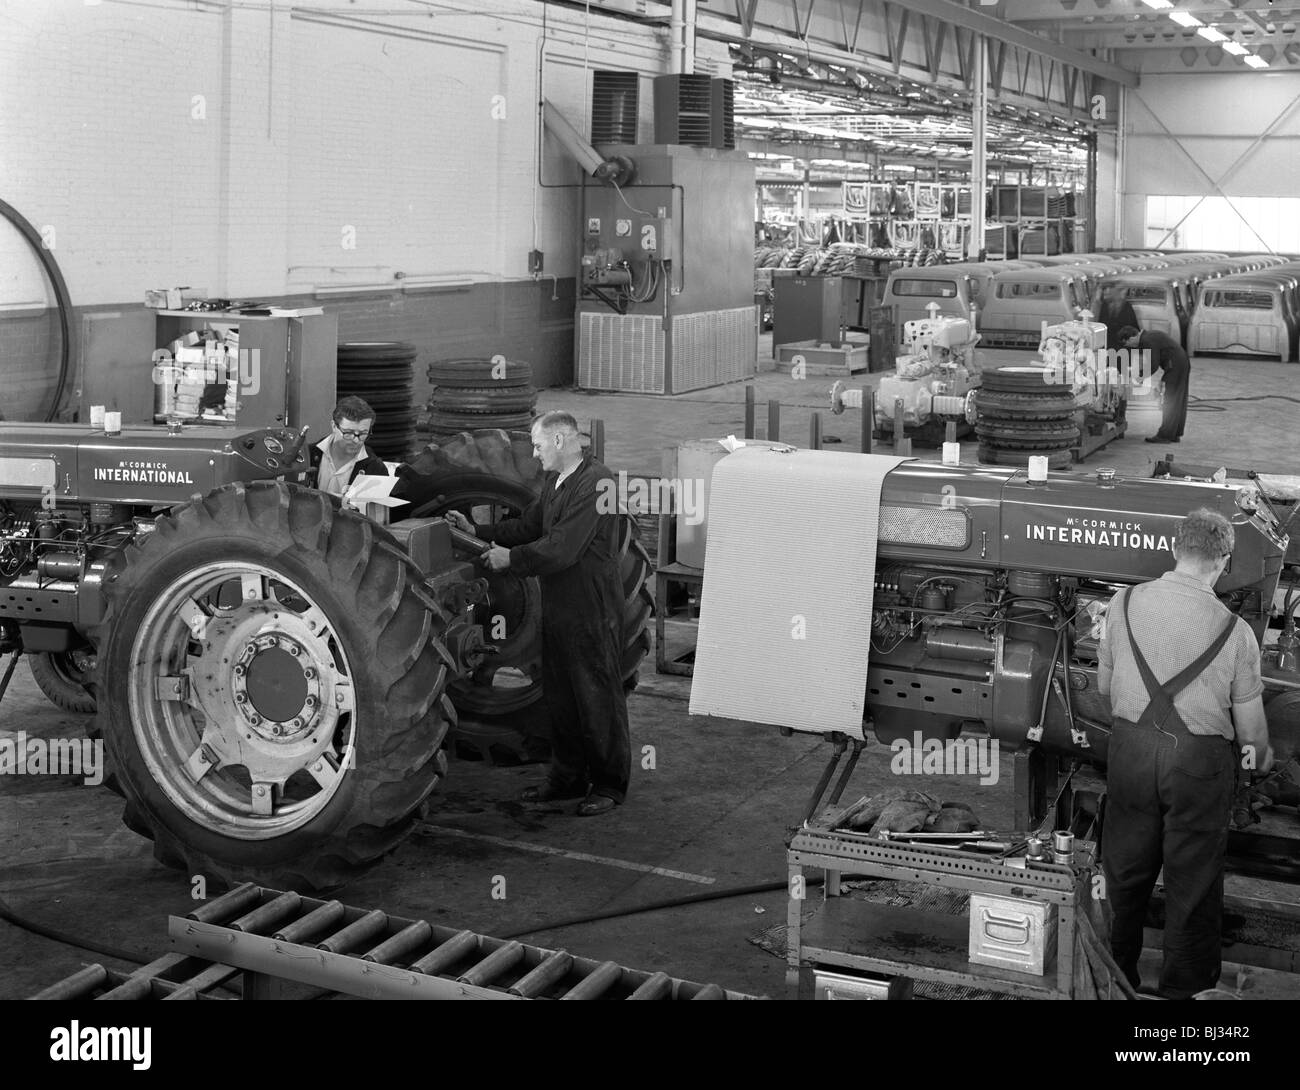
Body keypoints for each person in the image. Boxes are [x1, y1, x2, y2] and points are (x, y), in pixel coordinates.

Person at [1098, 508, 1273, 999]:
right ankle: (1185, 994)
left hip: (1130, 753)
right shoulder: (1236, 632)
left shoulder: (1123, 604)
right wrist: (1259, 767)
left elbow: (1108, 688)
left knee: (1123, 874)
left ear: (1177, 549)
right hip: (1198, 768)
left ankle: (1111, 978)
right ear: (1224, 560)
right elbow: (1252, 731)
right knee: (1192, 887)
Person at [444, 412, 630, 817]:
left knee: (596, 695)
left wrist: (511, 559)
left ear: (561, 440)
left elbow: (562, 548)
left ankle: (610, 784)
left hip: (591, 607)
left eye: (539, 445)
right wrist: (478, 532)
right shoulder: (556, 481)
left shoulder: (599, 483)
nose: (535, 453)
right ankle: (567, 778)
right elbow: (529, 525)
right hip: (560, 605)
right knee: (561, 696)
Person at [1119, 325, 1189, 444]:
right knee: (1178, 400)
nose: (1131, 347)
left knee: (1169, 400)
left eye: (1128, 345)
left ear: (1130, 339)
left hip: (1175, 366)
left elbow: (1152, 365)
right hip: (1180, 362)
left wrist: (1138, 379)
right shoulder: (1149, 336)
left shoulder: (1147, 341)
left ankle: (1165, 435)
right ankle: (1174, 433)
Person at [312, 395, 390, 498]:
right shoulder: (308, 455)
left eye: (363, 434)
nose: (356, 440)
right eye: (348, 433)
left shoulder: (376, 470)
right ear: (334, 426)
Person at [1095, 281, 1139, 348]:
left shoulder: (1126, 307)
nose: (1106, 291)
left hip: (1122, 350)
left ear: (1117, 291)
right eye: (1104, 289)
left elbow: (1133, 332)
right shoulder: (1103, 306)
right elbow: (1097, 327)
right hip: (1106, 348)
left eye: (1109, 288)